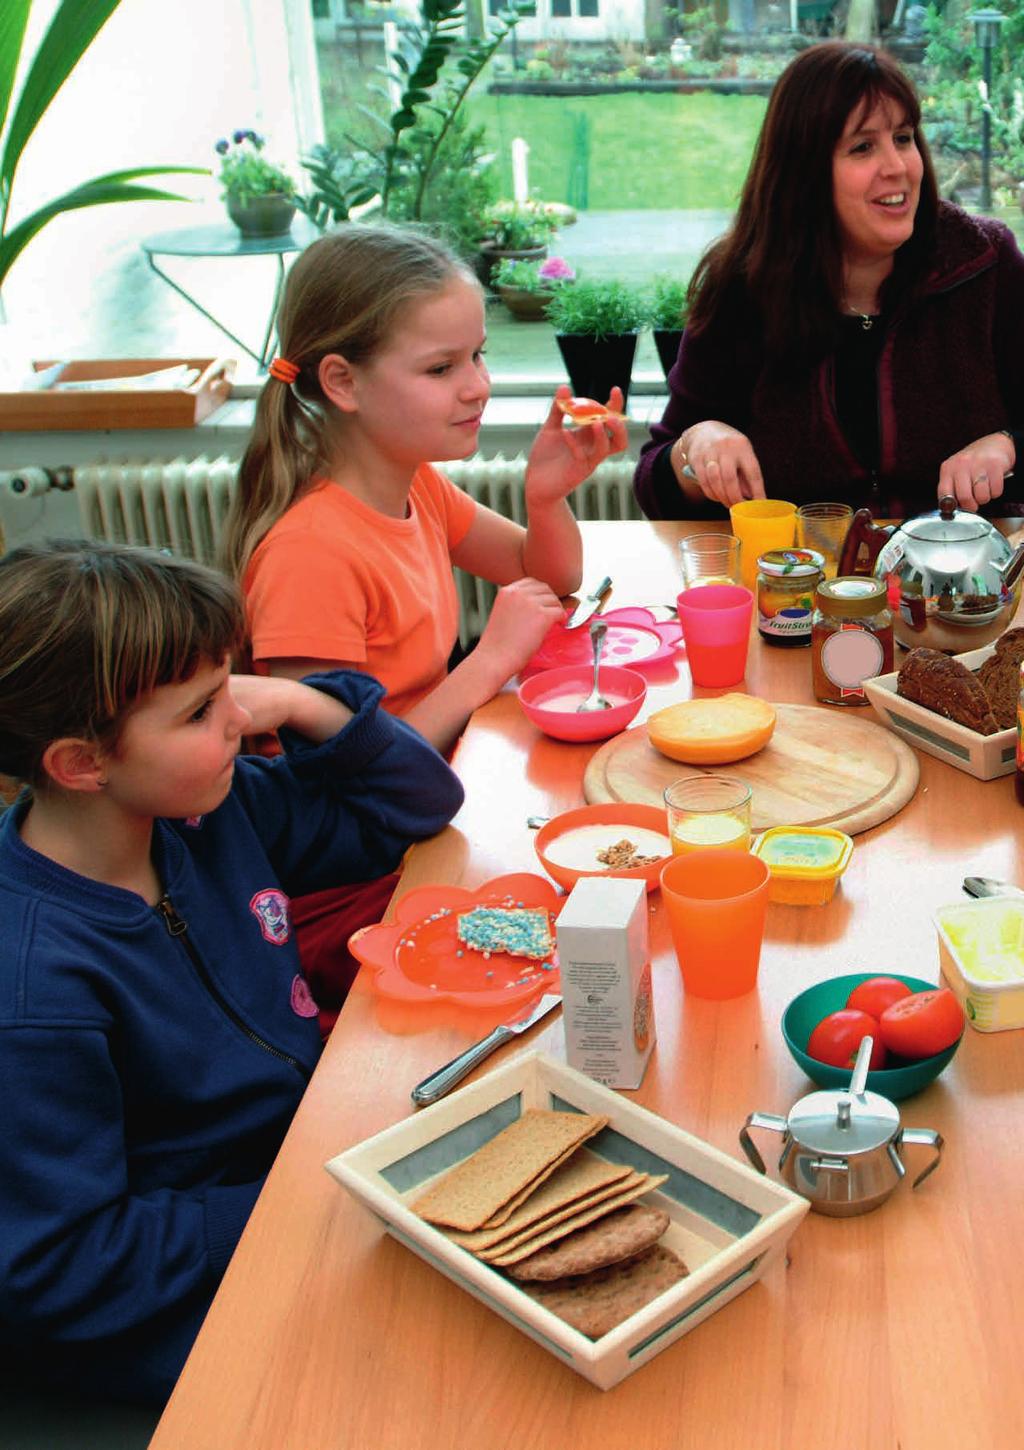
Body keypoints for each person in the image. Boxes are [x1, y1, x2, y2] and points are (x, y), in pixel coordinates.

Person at [0, 540, 463, 1405]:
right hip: (193, 1298)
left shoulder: (200, 814)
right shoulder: (32, 991)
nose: (237, 725)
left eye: (230, 694)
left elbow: (420, 805)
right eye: (199, 713)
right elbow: (60, 1267)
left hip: (302, 1165)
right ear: (80, 763)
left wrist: (296, 698)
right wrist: (305, 1197)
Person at [221, 223, 628, 758]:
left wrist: (545, 499)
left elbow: (551, 578)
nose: (478, 385)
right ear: (343, 382)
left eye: (477, 355)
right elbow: (347, 772)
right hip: (368, 830)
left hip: (432, 781)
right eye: (441, 368)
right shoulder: (309, 555)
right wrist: (488, 661)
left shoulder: (418, 486)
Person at [634, 41, 1024, 522]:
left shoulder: (986, 263)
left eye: (903, 138)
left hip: (968, 586)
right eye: (863, 147)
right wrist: (696, 447)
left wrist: (1007, 446)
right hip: (803, 586)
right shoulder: (742, 287)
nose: (898, 166)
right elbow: (654, 485)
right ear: (805, 172)